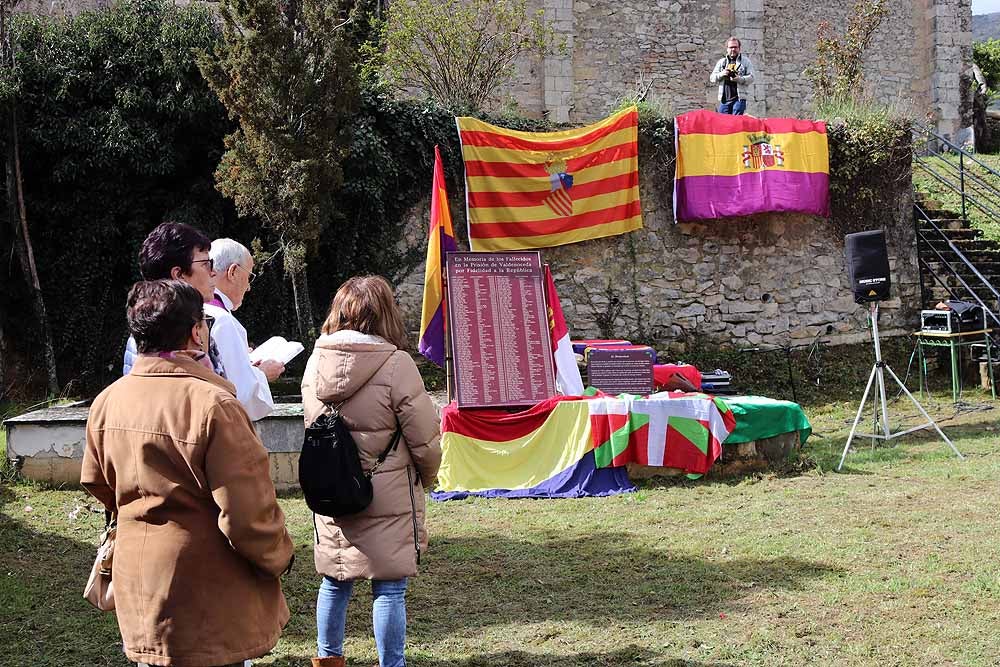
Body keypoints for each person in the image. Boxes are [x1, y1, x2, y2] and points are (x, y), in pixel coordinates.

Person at [82, 279, 294, 667]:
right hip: (209, 594)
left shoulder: (107, 401)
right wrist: (280, 555)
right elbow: (248, 514)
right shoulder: (214, 405)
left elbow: (97, 481)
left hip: (140, 586)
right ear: (197, 332)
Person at [301, 275, 441, 667]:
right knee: (390, 588)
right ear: (384, 314)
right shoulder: (396, 365)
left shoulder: (315, 363)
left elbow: (314, 428)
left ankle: (328, 661)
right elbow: (425, 440)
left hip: (331, 489)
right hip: (389, 491)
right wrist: (425, 479)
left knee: (334, 581)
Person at [123, 222, 226, 377]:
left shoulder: (148, 328)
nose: (214, 272)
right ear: (178, 275)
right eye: (206, 264)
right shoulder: (161, 336)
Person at [206, 238, 284, 421]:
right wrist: (263, 373)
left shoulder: (186, 307)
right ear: (233, 272)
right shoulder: (222, 320)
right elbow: (240, 395)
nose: (249, 287)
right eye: (249, 276)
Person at [709, 36, 755, 115]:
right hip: (724, 100)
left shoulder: (745, 61)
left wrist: (739, 79)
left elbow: (752, 77)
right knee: (723, 124)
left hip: (739, 99)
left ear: (739, 48)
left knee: (736, 123)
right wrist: (722, 74)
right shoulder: (722, 62)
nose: (733, 49)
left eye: (735, 47)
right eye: (731, 47)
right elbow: (712, 78)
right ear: (727, 49)